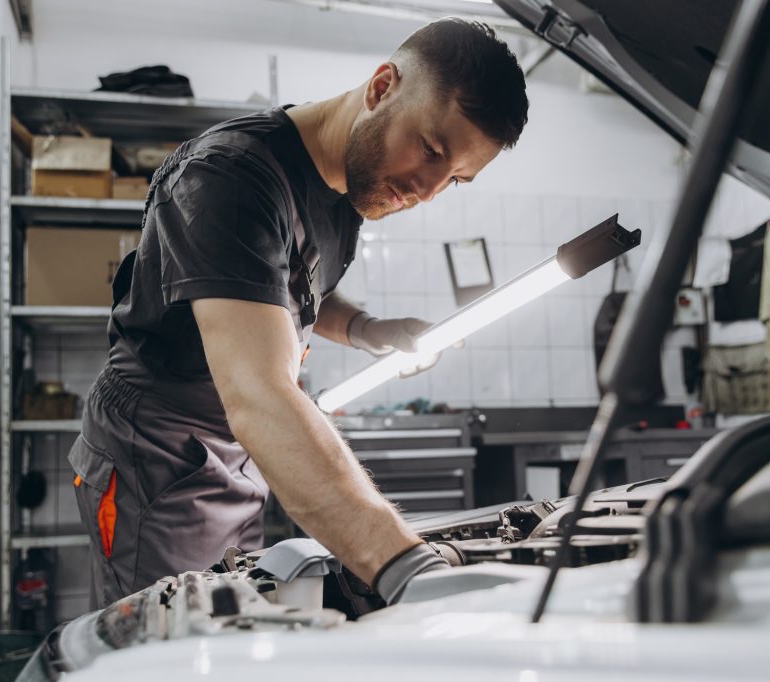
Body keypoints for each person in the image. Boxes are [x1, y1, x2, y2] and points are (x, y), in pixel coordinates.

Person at [69, 17, 529, 609]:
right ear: (382, 86)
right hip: (156, 450)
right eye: (432, 150)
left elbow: (280, 290)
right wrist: (407, 568)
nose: (427, 189)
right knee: (164, 645)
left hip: (234, 449)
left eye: (456, 180)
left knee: (230, 627)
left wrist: (368, 329)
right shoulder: (230, 179)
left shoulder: (350, 192)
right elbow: (259, 394)